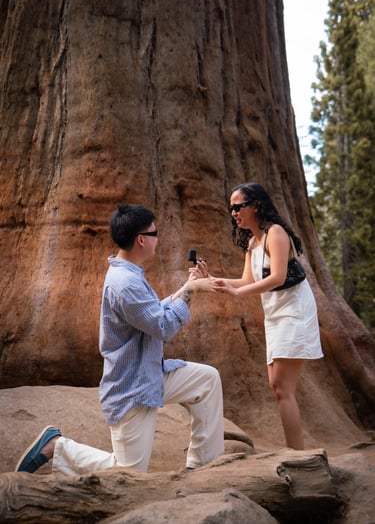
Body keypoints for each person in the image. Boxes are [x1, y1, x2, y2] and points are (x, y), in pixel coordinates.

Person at [16, 204, 224, 475]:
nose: (157, 239)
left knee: (207, 380)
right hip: (133, 386)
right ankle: (58, 447)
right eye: (155, 232)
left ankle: (202, 468)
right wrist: (191, 291)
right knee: (127, 473)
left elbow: (151, 313)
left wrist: (187, 287)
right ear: (141, 240)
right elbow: (163, 326)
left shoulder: (129, 273)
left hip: (150, 374)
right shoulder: (125, 283)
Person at [206, 182, 323, 450]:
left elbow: (278, 277)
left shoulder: (276, 234)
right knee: (278, 386)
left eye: (238, 207)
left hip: (293, 313)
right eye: (231, 209)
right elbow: (247, 279)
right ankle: (295, 452)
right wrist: (216, 281)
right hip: (275, 315)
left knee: (282, 387)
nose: (234, 213)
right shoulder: (252, 243)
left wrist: (240, 293)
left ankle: (297, 455)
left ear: (256, 204)